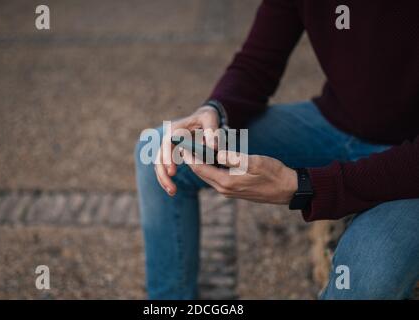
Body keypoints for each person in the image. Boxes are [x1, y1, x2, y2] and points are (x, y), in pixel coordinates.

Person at [135, 0, 419, 299]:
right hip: (332, 125)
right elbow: (257, 63)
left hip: (409, 165)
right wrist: (216, 110)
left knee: (367, 283)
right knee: (156, 148)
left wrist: (304, 187)